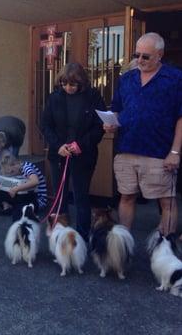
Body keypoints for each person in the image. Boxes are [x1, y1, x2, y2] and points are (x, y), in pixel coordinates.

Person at [105, 33, 182, 235]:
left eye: (145, 56)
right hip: (127, 149)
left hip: (159, 151)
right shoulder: (127, 79)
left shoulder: (175, 78)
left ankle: (166, 250)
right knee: (126, 196)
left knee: (167, 200)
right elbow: (117, 108)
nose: (139, 60)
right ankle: (123, 247)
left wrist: (175, 152)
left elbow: (181, 117)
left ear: (160, 55)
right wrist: (111, 123)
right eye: (136, 54)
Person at [42, 62, 106, 241]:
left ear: (81, 83)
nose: (68, 88)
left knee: (81, 197)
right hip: (59, 154)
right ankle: (59, 239)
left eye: (72, 84)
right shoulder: (55, 97)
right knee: (59, 197)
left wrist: (81, 145)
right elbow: (46, 125)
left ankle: (82, 239)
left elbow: (98, 127)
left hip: (83, 154)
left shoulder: (93, 97)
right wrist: (58, 146)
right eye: (64, 84)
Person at [0, 156, 47, 222]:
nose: (12, 174)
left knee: (17, 215)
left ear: (17, 164)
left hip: (37, 199)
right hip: (25, 195)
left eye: (12, 171)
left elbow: (35, 181)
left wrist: (16, 189)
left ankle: (14, 208)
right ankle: (11, 206)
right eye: (9, 173)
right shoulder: (19, 169)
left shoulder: (27, 167)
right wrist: (1, 186)